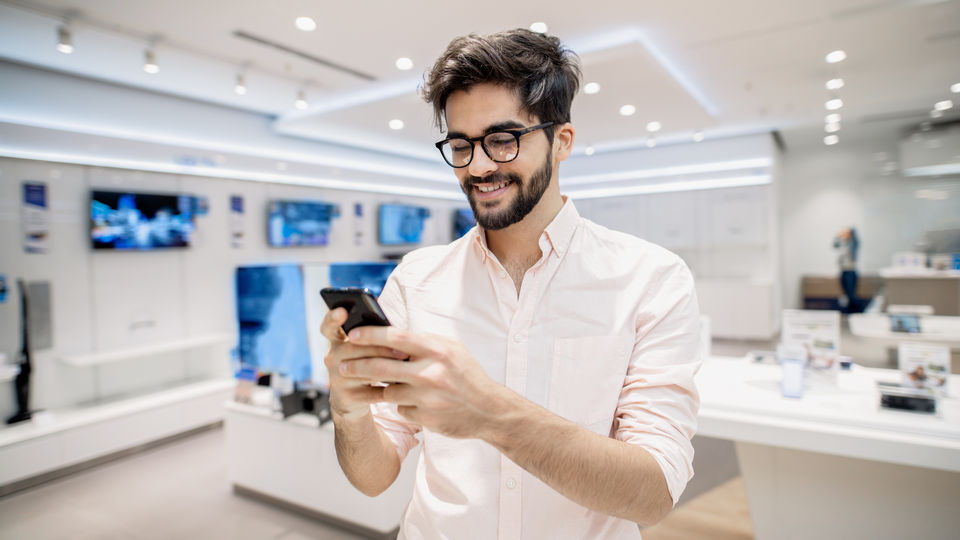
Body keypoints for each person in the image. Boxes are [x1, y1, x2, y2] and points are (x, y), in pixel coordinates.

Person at [320, 29, 701, 539]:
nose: (478, 166)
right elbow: (373, 476)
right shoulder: (417, 279)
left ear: (561, 140)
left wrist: (491, 413)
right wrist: (348, 412)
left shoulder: (652, 279)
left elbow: (653, 495)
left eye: (502, 140)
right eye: (461, 145)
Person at [833, 227, 860, 314]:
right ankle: (849, 313)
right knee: (846, 295)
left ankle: (857, 310)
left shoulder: (853, 244)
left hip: (851, 272)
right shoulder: (843, 244)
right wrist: (838, 236)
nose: (844, 234)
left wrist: (850, 231)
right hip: (843, 271)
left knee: (851, 295)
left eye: (847, 233)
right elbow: (834, 245)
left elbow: (856, 238)